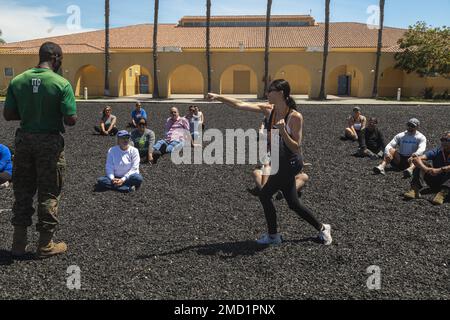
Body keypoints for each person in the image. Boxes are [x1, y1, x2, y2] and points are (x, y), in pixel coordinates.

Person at [208, 79, 332, 246]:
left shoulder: (295, 117)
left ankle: (273, 236)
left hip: (291, 162)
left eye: (270, 91)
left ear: (280, 93)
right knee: (293, 203)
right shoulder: (269, 110)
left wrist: (282, 131)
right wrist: (218, 96)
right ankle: (323, 228)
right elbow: (239, 104)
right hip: (278, 161)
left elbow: (296, 147)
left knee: (265, 195)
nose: (267, 94)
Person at [3, 42, 77, 258]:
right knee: (49, 191)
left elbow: (8, 115)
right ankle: (45, 245)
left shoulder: (18, 81)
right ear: (55, 57)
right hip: (49, 143)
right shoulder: (61, 83)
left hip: (24, 141)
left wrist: (30, 115)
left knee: (23, 190)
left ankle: (18, 244)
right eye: (60, 58)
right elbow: (71, 119)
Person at [404, 131, 450, 205]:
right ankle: (415, 190)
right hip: (435, 180)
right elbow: (416, 159)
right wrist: (426, 169)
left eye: (447, 140)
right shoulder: (438, 151)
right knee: (421, 164)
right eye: (442, 140)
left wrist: (439, 170)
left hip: (447, 183)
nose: (443, 142)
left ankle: (443, 194)